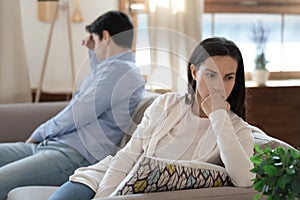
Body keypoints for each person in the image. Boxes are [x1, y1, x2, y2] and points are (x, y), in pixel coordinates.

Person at [49, 37, 255, 200]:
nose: (219, 86)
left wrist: (219, 116)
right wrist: (105, 196)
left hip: (143, 193)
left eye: (229, 77)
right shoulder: (166, 104)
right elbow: (128, 155)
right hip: (107, 177)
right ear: (194, 72)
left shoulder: (237, 129)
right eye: (211, 75)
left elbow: (244, 179)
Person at [0, 10, 145, 200]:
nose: (90, 45)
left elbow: (77, 112)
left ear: (106, 36)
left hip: (74, 155)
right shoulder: (111, 69)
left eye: (93, 38)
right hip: (56, 145)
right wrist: (93, 51)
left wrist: (39, 133)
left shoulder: (120, 72)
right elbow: (85, 96)